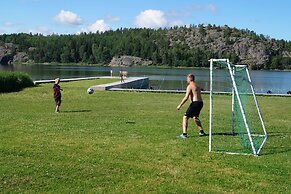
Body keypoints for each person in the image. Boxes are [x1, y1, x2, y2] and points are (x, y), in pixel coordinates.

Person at [177, 74, 205, 138]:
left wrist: (180, 105)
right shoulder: (197, 85)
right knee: (195, 117)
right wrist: (191, 102)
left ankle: (184, 134)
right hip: (200, 103)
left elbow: (186, 97)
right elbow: (191, 95)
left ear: (190, 78)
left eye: (187, 78)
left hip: (195, 103)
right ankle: (201, 132)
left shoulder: (190, 86)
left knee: (185, 117)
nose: (186, 80)